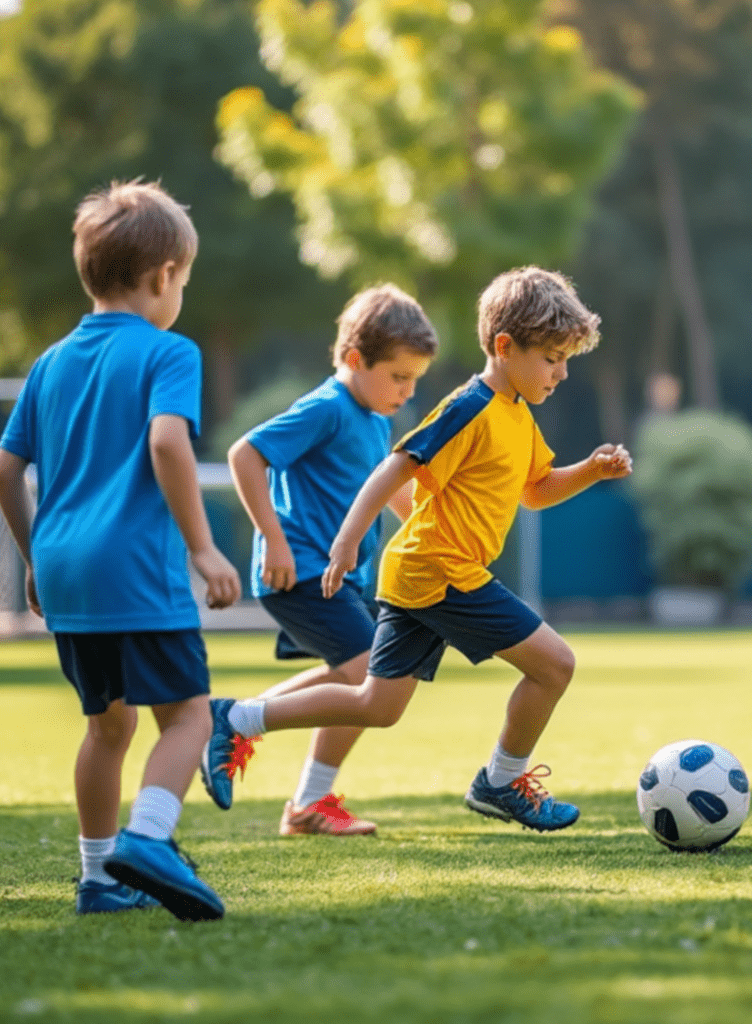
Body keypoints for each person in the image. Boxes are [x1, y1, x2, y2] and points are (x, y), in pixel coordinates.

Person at [203, 266, 632, 831]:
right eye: (551, 356)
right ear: (504, 347)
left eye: (565, 358)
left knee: (376, 707)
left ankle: (237, 718)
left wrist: (589, 471)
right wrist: (347, 541)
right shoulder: (469, 407)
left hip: (420, 576)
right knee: (555, 665)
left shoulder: (517, 416)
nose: (562, 371)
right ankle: (501, 781)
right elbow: (395, 467)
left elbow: (535, 490)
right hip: (441, 571)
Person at [0, 180, 241, 919]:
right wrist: (204, 550)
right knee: (190, 718)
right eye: (185, 282)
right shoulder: (169, 352)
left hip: (66, 571)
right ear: (165, 274)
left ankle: (99, 878)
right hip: (135, 568)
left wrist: (36, 557)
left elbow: (7, 467)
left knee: (108, 725)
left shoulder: (50, 363)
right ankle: (149, 838)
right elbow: (168, 441)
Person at [204, 284, 437, 835]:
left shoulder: (375, 416)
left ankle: (304, 798)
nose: (406, 390)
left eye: (414, 380)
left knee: (352, 680)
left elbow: (380, 489)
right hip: (301, 570)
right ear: (355, 360)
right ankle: (234, 720)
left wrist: (432, 532)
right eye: (398, 376)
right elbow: (246, 454)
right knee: (367, 679)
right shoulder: (329, 406)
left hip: (339, 579)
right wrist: (274, 540)